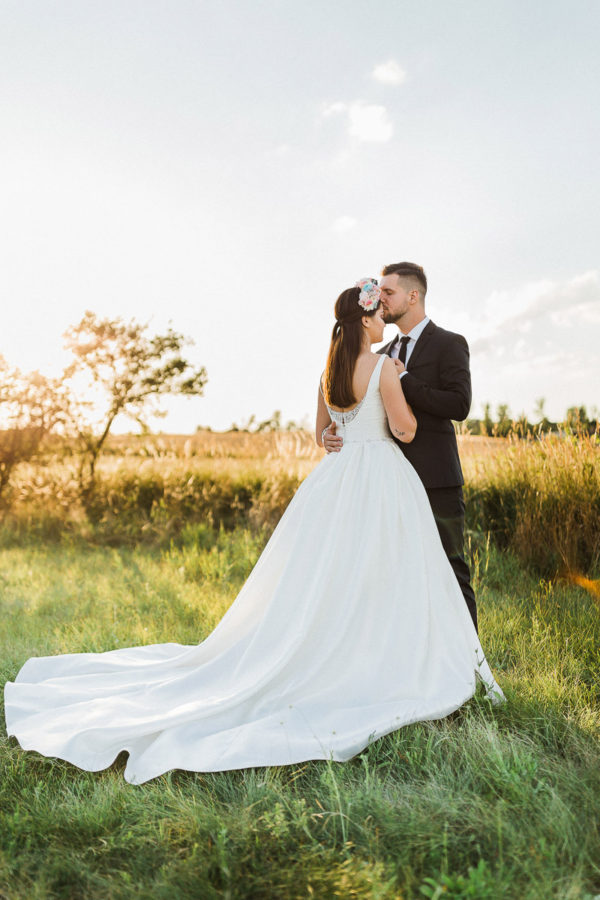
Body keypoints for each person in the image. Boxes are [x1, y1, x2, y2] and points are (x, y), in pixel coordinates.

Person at [4, 280, 504, 786]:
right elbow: (405, 430)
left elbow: (321, 436)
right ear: (367, 321)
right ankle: (383, 657)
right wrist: (394, 387)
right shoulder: (382, 367)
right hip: (379, 479)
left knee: (329, 575)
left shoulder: (327, 374)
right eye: (376, 315)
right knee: (381, 571)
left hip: (335, 482)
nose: (381, 322)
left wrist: (348, 429)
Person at [323, 263, 478, 632]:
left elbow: (459, 405)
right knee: (395, 573)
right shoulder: (380, 352)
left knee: (451, 567)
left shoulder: (449, 343)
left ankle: (471, 658)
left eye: (388, 292)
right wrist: (332, 433)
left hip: (435, 477)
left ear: (413, 295)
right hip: (387, 482)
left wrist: (405, 379)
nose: (381, 298)